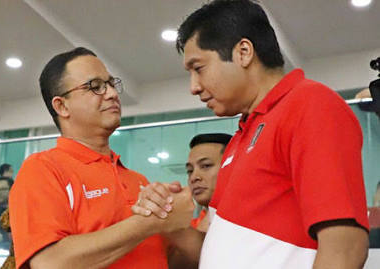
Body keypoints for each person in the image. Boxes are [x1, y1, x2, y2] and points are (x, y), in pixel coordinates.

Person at [134, 0, 369, 268]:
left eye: (198, 69)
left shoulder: (310, 104)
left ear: (243, 52)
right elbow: (218, 249)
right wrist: (164, 217)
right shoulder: (240, 137)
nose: (194, 87)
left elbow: (345, 247)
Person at [10, 47, 196, 269]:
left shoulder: (139, 181)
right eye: (95, 87)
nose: (111, 94)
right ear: (62, 106)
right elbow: (50, 263)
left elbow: (172, 261)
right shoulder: (43, 169)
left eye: (110, 84)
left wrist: (174, 221)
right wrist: (151, 222)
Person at [186, 133, 232, 231]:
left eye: (206, 166)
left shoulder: (253, 224)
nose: (194, 177)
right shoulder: (189, 231)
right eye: (190, 171)